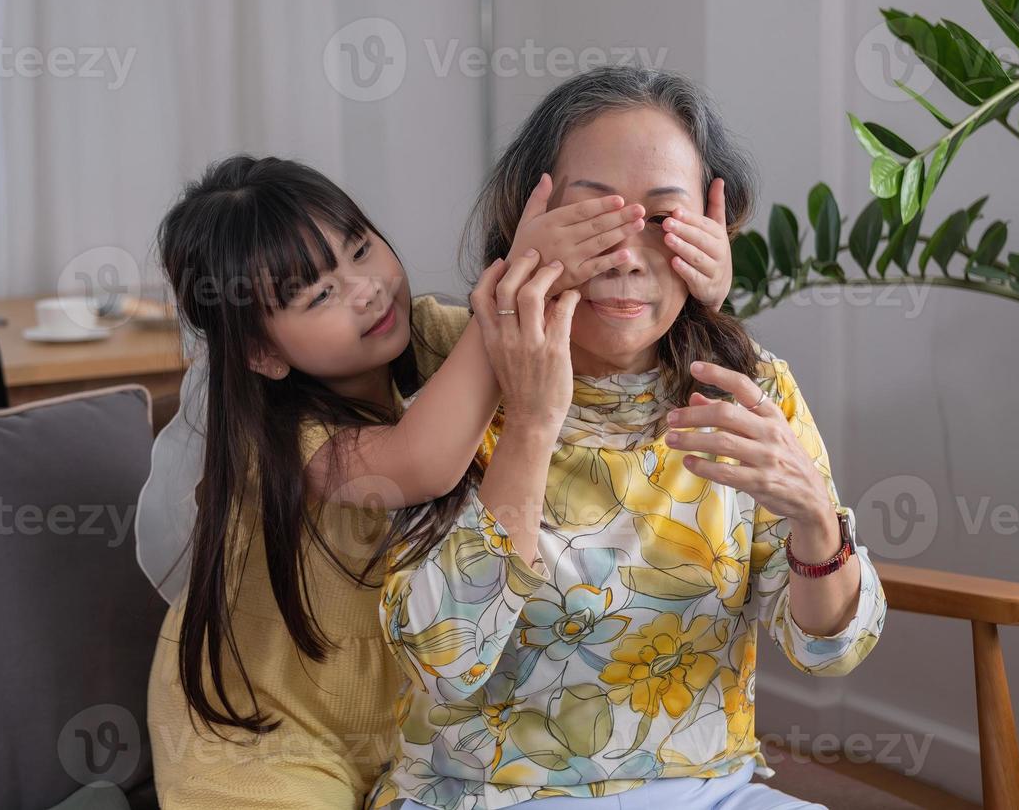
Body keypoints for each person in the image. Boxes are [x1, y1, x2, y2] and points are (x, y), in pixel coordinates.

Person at [141, 152, 735, 809]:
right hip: (260, 736)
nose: (365, 289)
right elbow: (421, 462)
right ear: (262, 353)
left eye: (361, 249)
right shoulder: (280, 441)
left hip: (397, 730)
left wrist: (692, 286)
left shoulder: (433, 336)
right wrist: (514, 278)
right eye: (318, 295)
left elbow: (587, 354)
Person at [369, 67, 887, 810]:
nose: (627, 254)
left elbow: (829, 649)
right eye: (594, 219)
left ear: (715, 231)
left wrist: (813, 517)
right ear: (526, 218)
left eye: (661, 218)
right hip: (484, 796)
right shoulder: (456, 396)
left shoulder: (749, 388)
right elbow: (443, 661)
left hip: (710, 793)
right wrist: (535, 423)